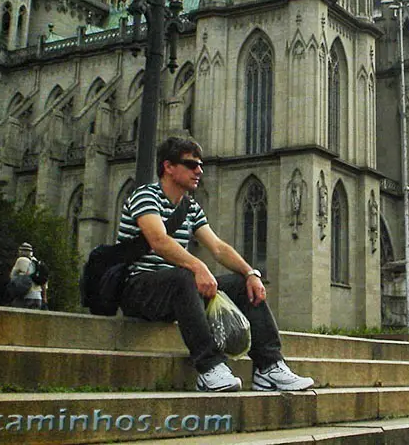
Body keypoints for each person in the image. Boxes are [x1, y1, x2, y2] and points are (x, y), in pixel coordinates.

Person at [118, 136, 314, 393]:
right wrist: (198, 267)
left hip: (178, 288)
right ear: (168, 167)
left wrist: (250, 273)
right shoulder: (145, 196)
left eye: (200, 164)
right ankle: (209, 367)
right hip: (138, 289)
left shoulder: (190, 207)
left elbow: (219, 248)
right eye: (191, 164)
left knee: (243, 285)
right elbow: (158, 240)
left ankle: (269, 368)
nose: (199, 170)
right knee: (183, 276)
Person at [8, 242, 46, 310]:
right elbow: (44, 282)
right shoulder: (36, 262)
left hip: (25, 297)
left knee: (17, 318)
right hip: (38, 297)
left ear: (21, 251)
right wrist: (44, 298)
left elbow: (12, 276)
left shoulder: (20, 260)